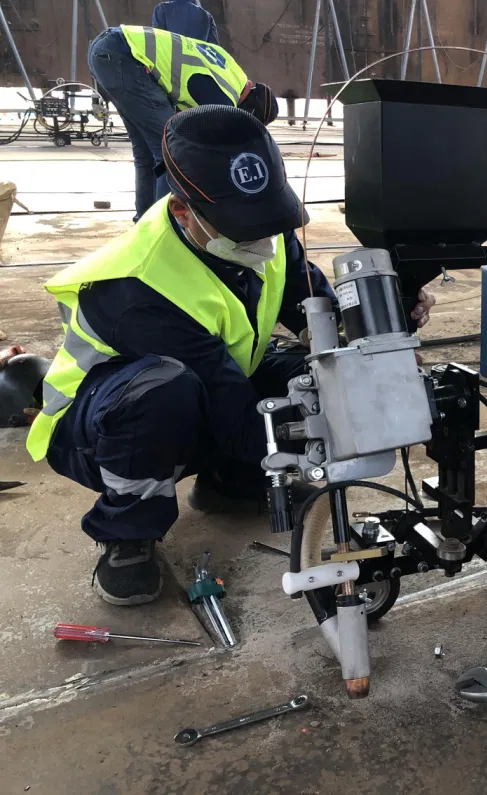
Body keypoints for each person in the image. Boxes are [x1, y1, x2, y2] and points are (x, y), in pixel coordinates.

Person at [24, 106, 436, 607]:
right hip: (101, 429)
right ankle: (127, 529)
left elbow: (318, 318)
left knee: (305, 373)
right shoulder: (138, 286)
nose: (263, 239)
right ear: (182, 211)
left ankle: (231, 483)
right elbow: (237, 420)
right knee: (166, 392)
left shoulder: (266, 231)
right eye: (246, 228)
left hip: (210, 383)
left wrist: (386, 322)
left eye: (269, 220)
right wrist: (319, 431)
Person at [88, 25, 278, 222]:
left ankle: (144, 222)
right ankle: (165, 227)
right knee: (170, 154)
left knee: (146, 152)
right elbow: (208, 150)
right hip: (126, 57)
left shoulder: (232, 72)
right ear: (248, 112)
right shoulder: (222, 100)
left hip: (112, 48)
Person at [152, 0, 218, 43]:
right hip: (197, 64)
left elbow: (158, 42)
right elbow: (215, 53)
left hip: (170, 63)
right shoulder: (207, 16)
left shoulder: (162, 9)